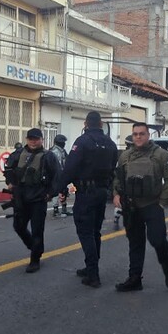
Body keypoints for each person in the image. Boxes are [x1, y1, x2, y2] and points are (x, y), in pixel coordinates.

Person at [112, 123, 168, 292]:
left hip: (152, 205)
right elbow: (118, 178)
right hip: (131, 207)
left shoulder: (160, 155)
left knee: (158, 240)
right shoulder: (125, 156)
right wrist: (116, 194)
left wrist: (163, 202)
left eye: (142, 134)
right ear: (132, 136)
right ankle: (135, 279)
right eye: (135, 134)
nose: (138, 137)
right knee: (135, 243)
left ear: (148, 135)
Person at [58, 111, 118, 288]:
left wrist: (58, 188)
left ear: (85, 124)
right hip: (100, 193)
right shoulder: (110, 143)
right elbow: (113, 166)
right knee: (95, 231)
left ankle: (93, 274)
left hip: (86, 193)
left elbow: (70, 168)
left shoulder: (82, 142)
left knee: (85, 232)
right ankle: (90, 267)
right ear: (101, 124)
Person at [4, 129, 61, 272]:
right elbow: (9, 169)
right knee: (18, 226)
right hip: (20, 197)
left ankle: (35, 259)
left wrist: (50, 193)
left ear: (41, 139)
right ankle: (35, 247)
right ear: (26, 139)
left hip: (38, 198)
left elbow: (57, 176)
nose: (33, 141)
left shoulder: (49, 156)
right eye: (30, 139)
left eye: (36, 139)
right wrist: (10, 182)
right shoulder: (18, 154)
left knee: (37, 230)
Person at [113, 134, 134, 230]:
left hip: (123, 183)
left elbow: (117, 171)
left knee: (121, 202)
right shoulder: (134, 154)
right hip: (131, 184)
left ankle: (117, 218)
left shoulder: (122, 155)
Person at [50, 134, 72, 217]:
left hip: (62, 174)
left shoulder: (61, 150)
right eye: (62, 142)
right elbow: (58, 165)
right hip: (57, 175)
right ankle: (56, 210)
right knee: (57, 191)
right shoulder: (55, 151)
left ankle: (64, 210)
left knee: (64, 191)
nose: (64, 143)